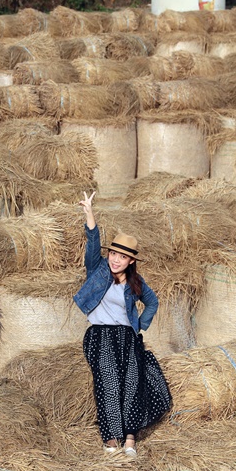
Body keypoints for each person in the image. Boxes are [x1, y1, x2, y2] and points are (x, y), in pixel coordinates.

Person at [73, 191, 172, 457]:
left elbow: (152, 303)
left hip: (128, 338)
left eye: (122, 256)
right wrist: (90, 214)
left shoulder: (136, 284)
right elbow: (93, 243)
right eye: (114, 254)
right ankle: (111, 440)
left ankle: (130, 439)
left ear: (131, 261)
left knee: (132, 385)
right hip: (100, 336)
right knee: (108, 384)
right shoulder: (98, 270)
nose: (116, 259)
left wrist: (140, 325)